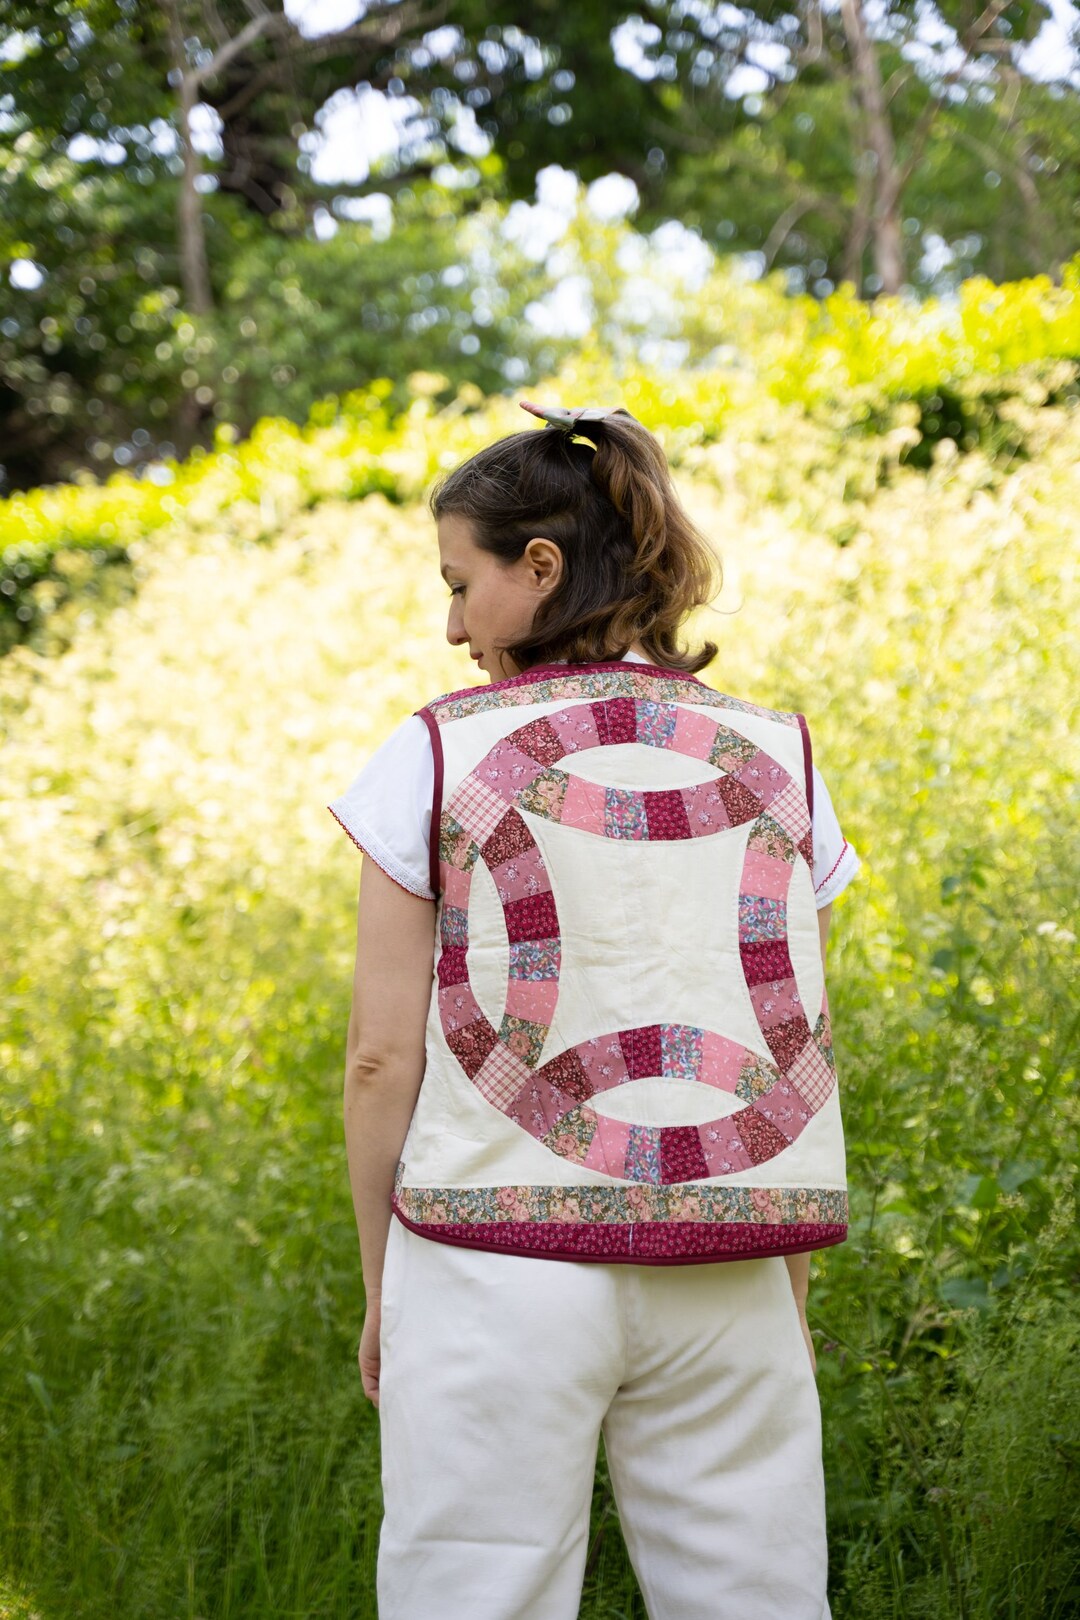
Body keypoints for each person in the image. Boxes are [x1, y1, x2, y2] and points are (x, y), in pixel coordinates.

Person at [327, 400, 861, 1620]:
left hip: (488, 1266)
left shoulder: (437, 753)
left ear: (543, 567)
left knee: (474, 1598)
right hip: (728, 1258)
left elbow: (378, 1058)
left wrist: (385, 1287)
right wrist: (783, 1283)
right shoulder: (779, 757)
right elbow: (796, 1039)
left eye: (461, 584)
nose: (453, 625)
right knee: (758, 1602)